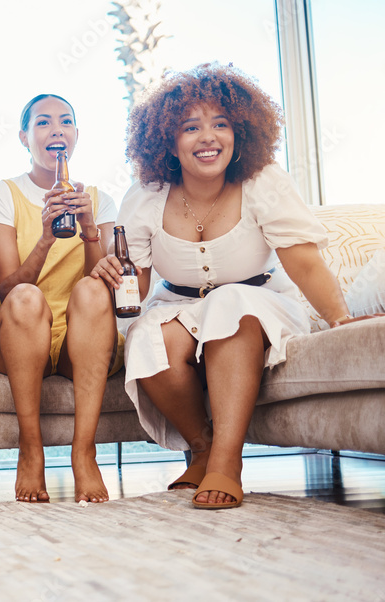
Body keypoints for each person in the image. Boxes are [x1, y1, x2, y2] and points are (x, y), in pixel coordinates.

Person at [93, 62, 364, 509]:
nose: (208, 137)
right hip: (178, 304)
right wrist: (110, 270)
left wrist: (341, 321)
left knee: (230, 302)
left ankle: (226, 459)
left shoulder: (261, 182)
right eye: (190, 127)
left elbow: (305, 263)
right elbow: (136, 290)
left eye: (221, 124)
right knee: (145, 339)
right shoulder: (145, 195)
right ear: (168, 140)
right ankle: (201, 447)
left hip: (261, 300)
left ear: (240, 132)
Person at [0, 94, 124, 504]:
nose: (56, 129)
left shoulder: (98, 200)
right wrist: (45, 237)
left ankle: (84, 452)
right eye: (43, 123)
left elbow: (106, 286)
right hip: (21, 334)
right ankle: (31, 449)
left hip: (81, 337)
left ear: (76, 136)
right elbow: (6, 289)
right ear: (25, 137)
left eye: (65, 122)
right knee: (25, 297)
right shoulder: (2, 195)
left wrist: (89, 228)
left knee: (93, 288)